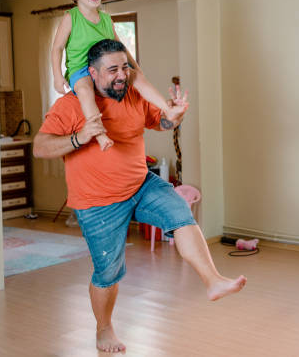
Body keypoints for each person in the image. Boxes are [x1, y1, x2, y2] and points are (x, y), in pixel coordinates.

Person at [34, 39, 246, 353]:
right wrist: (80, 137)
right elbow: (40, 147)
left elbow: (159, 122)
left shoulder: (133, 95)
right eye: (112, 70)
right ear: (92, 73)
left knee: (179, 211)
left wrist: (174, 116)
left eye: (125, 67)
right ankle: (104, 329)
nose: (121, 75)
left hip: (139, 185)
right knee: (108, 272)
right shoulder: (70, 105)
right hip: (97, 203)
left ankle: (213, 281)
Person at [51, 0, 179, 151]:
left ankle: (166, 109)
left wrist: (136, 68)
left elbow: (122, 48)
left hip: (106, 67)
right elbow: (57, 48)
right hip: (81, 69)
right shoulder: (71, 18)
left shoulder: (106, 19)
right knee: (86, 92)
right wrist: (57, 76)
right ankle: (100, 134)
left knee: (138, 79)